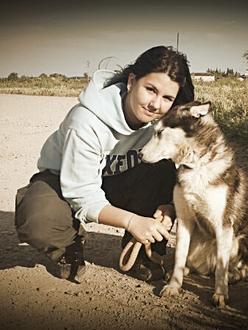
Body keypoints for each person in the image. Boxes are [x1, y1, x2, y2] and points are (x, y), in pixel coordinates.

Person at [14, 45, 195, 282]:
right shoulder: (86, 121)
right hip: (63, 183)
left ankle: (144, 250)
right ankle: (68, 248)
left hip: (118, 179)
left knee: (162, 170)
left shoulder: (164, 123)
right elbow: (82, 193)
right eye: (150, 89)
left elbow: (189, 168)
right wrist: (132, 220)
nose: (155, 104)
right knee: (40, 218)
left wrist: (170, 206)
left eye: (167, 98)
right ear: (131, 82)